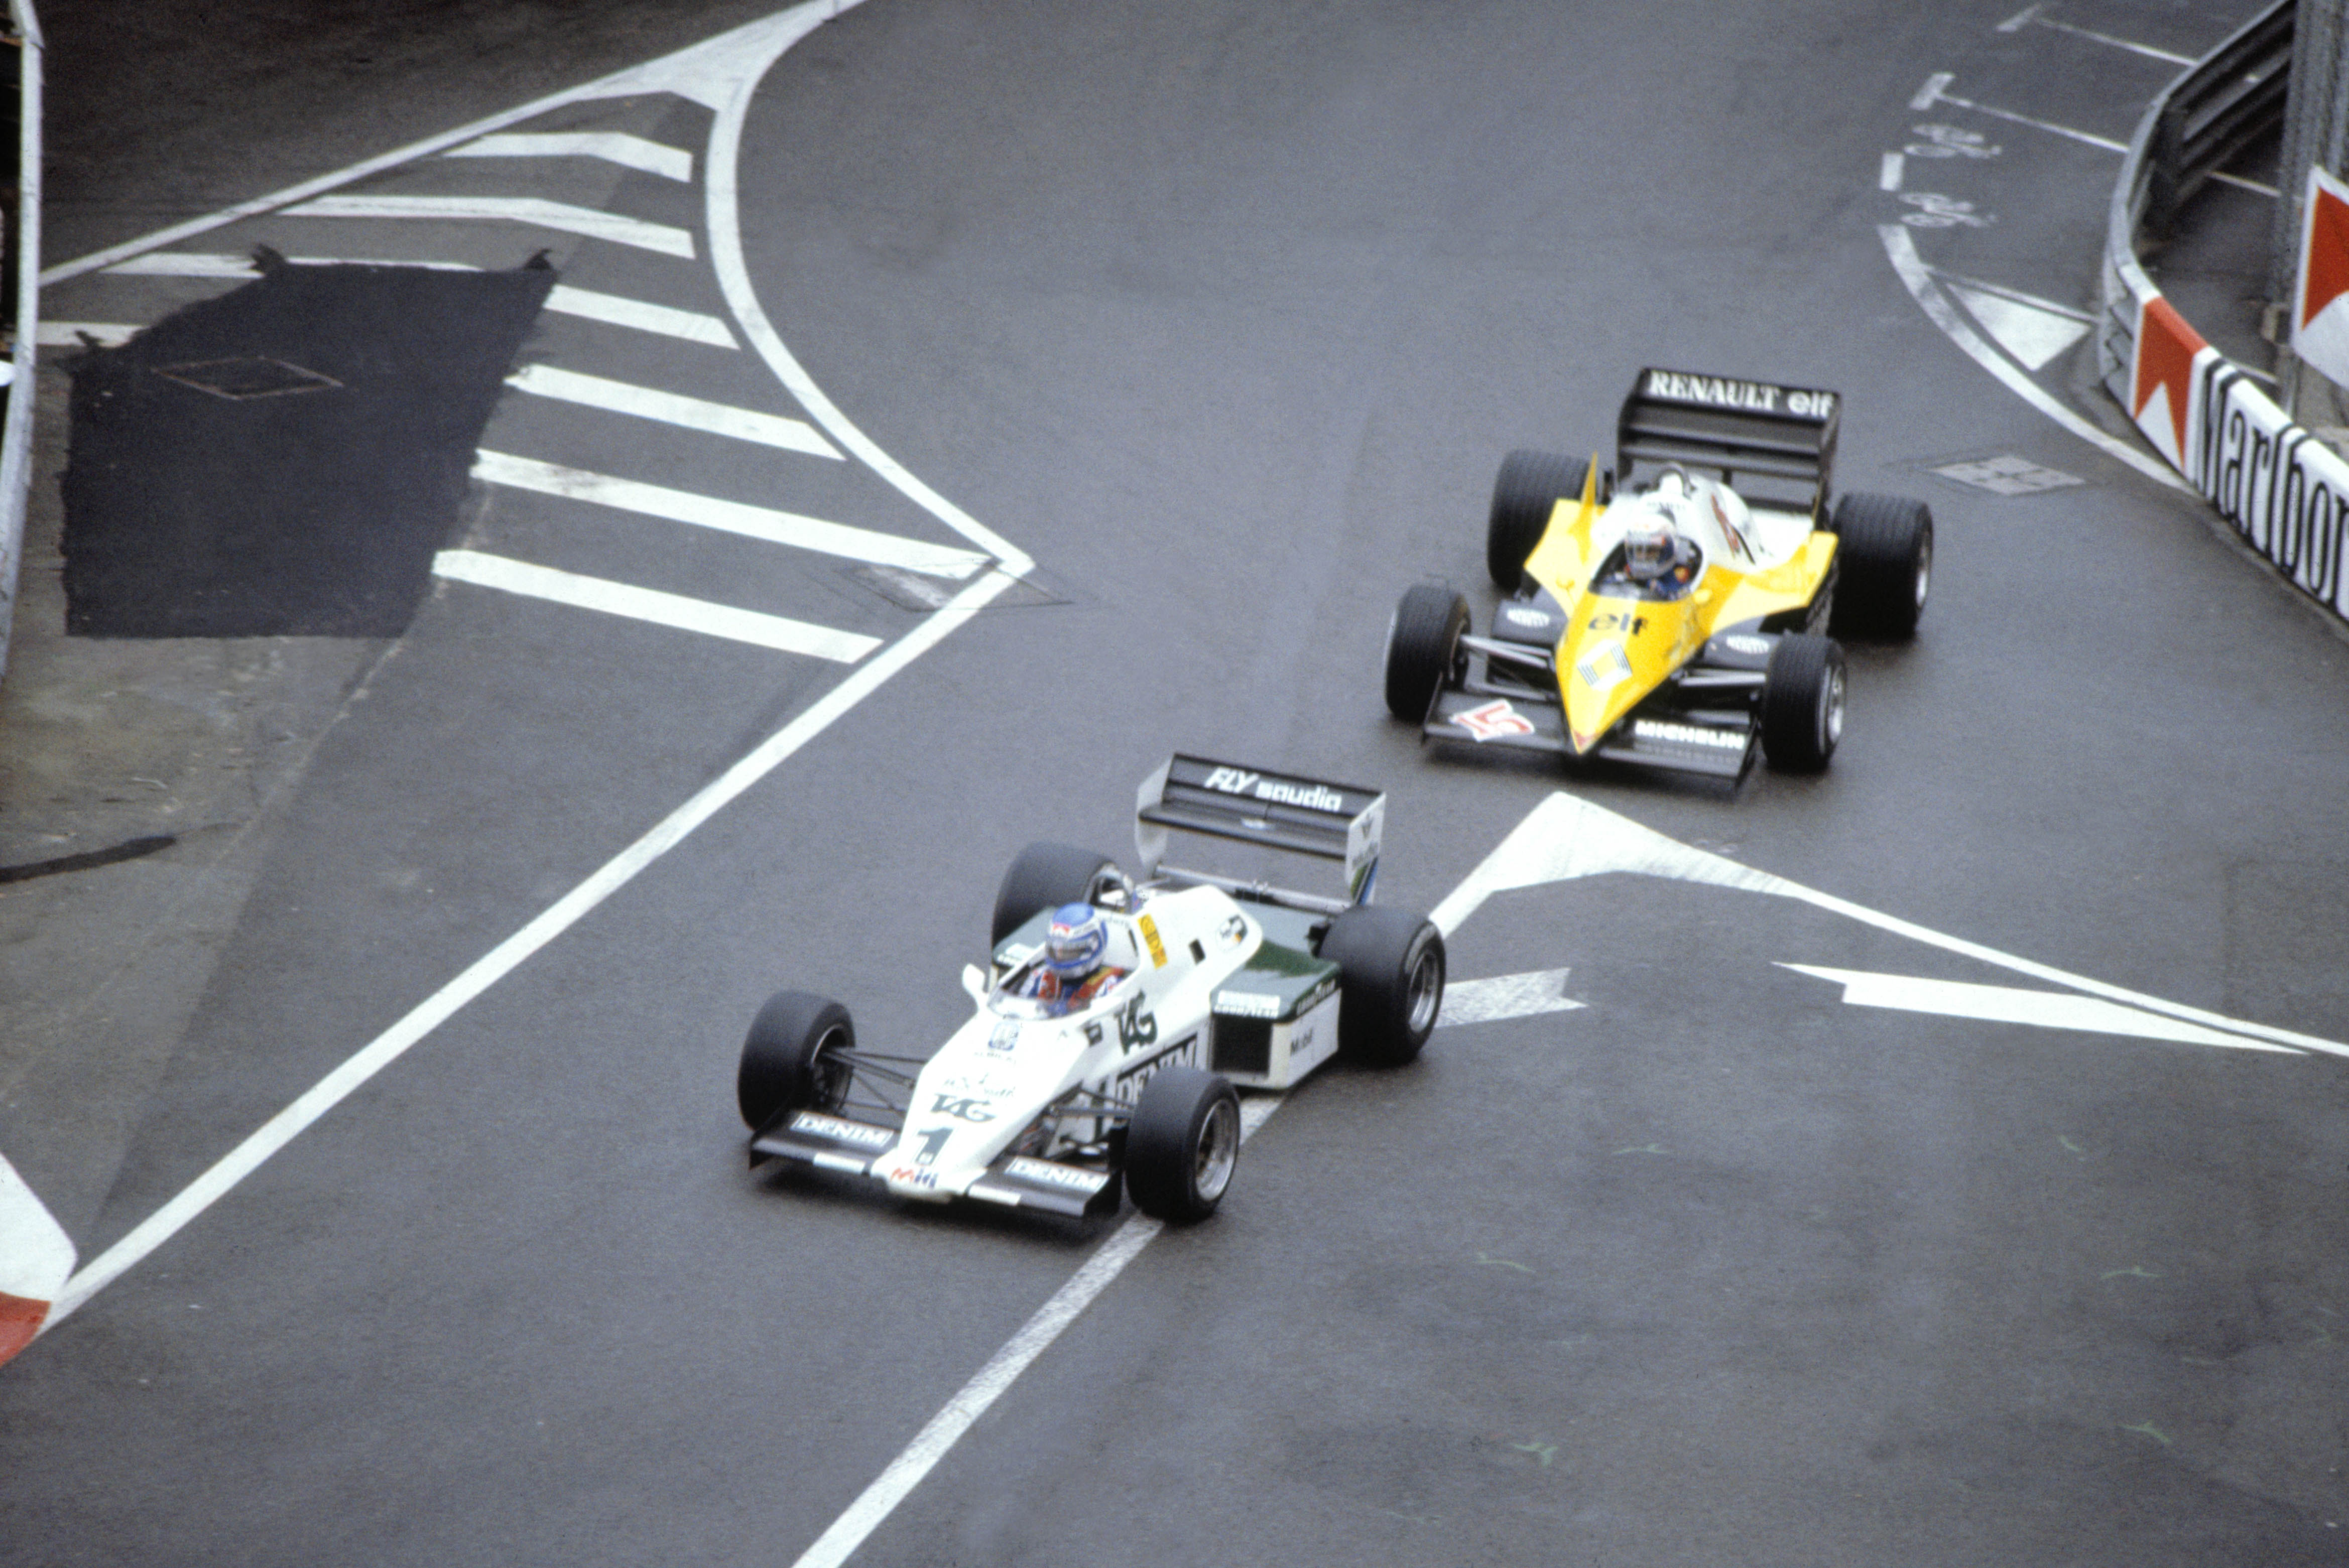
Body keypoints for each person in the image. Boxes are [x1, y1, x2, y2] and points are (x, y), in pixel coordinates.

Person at [1013, 902, 1127, 1014]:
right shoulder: (1039, 978)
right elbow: (1018, 1012)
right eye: (1055, 950)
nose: (1060, 958)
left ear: (1094, 947)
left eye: (1070, 951)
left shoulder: (1108, 989)